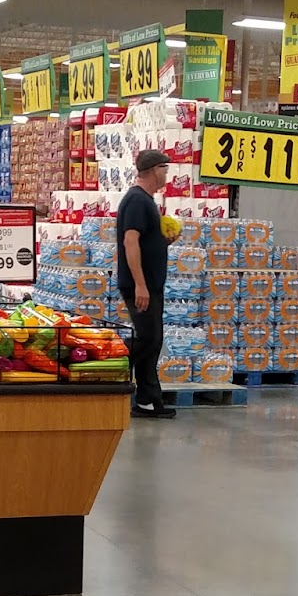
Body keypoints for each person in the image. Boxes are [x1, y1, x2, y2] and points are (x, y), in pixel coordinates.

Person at [116, 146, 175, 419]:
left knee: (152, 340)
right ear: (153, 171)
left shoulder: (146, 201)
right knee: (148, 339)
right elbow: (130, 242)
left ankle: (148, 400)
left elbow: (143, 242)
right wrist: (140, 284)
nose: (167, 174)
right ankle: (110, 365)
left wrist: (162, 242)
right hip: (141, 285)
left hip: (150, 284)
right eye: (165, 168)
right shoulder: (137, 201)